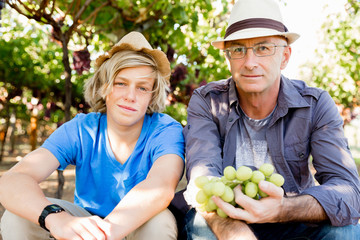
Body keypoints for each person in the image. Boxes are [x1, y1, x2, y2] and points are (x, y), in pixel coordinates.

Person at [182, 0, 360, 239]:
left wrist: (282, 209)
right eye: (238, 50)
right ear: (228, 58)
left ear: (285, 56)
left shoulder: (314, 104)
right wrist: (236, 233)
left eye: (263, 48)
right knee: (201, 224)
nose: (249, 62)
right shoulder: (207, 102)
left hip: (293, 220)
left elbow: (348, 191)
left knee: (346, 231)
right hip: (228, 218)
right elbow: (203, 180)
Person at [0, 31, 185, 240]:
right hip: (85, 223)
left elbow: (161, 186)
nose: (130, 96)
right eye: (121, 83)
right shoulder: (82, 129)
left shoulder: (165, 130)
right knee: (17, 217)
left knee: (160, 222)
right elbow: (13, 179)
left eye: (142, 88)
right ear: (104, 87)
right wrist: (56, 218)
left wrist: (104, 234)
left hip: (138, 224)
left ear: (152, 95)